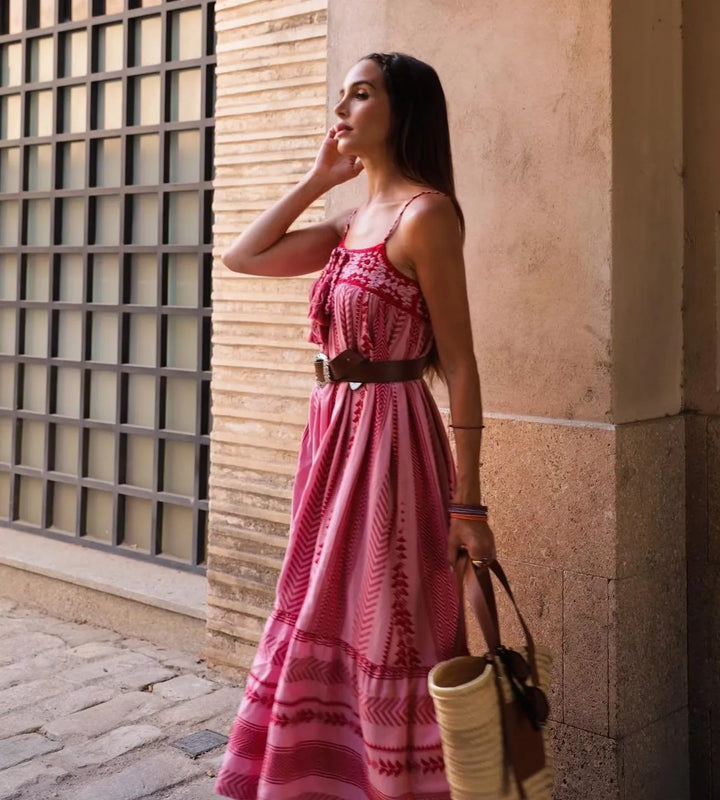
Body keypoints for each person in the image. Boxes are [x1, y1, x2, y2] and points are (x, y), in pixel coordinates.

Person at [214, 51, 495, 800]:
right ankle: (325, 778)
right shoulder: (348, 221)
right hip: (331, 440)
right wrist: (318, 180)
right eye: (342, 96)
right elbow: (242, 256)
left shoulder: (424, 214)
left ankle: (396, 784)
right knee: (322, 603)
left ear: (403, 110)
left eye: (361, 95)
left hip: (393, 446)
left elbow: (461, 364)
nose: (342, 110)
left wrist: (469, 502)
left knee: (388, 618)